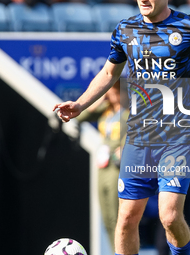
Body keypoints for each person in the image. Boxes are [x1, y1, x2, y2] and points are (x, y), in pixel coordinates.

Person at [53, 0, 190, 254]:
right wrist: (81, 104)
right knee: (126, 220)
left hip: (177, 137)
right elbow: (109, 72)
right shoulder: (125, 29)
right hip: (138, 139)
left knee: (168, 216)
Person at [77, 81, 129, 251]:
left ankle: (121, 251)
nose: (112, 94)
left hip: (117, 167)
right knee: (105, 214)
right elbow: (79, 117)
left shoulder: (128, 113)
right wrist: (98, 101)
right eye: (110, 91)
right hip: (103, 166)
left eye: (116, 91)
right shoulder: (106, 111)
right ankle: (113, 250)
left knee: (117, 215)